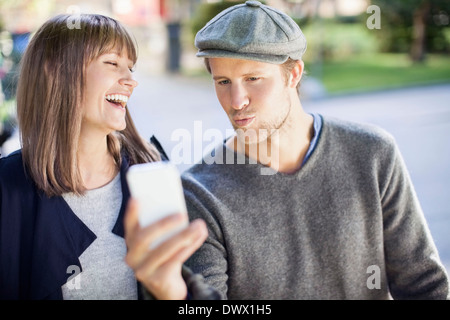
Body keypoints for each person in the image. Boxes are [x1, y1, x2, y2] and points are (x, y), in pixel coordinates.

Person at [177, 1, 449, 299]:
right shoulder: (199, 194)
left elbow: (424, 285)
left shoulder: (372, 154)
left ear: (293, 75)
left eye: (253, 79)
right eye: (224, 81)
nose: (236, 100)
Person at [0, 13, 208, 300]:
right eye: (112, 63)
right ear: (55, 71)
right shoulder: (7, 187)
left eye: (131, 68)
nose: (131, 81)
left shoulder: (151, 169)